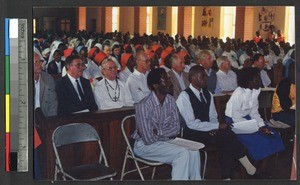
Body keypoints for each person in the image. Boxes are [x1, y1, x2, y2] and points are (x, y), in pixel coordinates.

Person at [176, 65, 267, 179]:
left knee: (226, 139)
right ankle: (249, 170)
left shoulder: (207, 94)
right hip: (192, 133)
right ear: (193, 78)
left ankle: (229, 177)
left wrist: (214, 127)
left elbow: (212, 115)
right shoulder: (184, 96)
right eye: (202, 76)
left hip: (208, 129)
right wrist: (216, 126)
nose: (206, 79)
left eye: (205, 76)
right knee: (226, 137)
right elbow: (191, 123)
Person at [132, 68, 201, 180]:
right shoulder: (143, 105)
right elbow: (148, 139)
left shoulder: (170, 100)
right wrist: (166, 134)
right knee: (182, 154)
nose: (170, 82)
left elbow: (176, 129)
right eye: (165, 80)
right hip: (144, 146)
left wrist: (158, 132)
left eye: (169, 79)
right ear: (155, 85)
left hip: (165, 141)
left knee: (194, 151)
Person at [225, 67, 285, 161]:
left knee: (273, 135)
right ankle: (256, 170)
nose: (260, 81)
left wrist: (261, 125)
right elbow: (236, 117)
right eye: (257, 79)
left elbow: (254, 112)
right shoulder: (239, 94)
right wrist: (256, 128)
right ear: (249, 81)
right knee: (262, 141)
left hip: (249, 120)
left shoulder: (256, 91)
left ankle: (263, 168)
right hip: (235, 122)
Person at [34, 53, 58, 180]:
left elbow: (53, 104)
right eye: (36, 62)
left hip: (44, 119)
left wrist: (50, 124)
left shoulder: (47, 79)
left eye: (40, 61)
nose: (40, 65)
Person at [271, 61, 295, 126]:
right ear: (291, 71)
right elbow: (286, 106)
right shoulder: (284, 84)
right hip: (280, 113)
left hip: (292, 112)